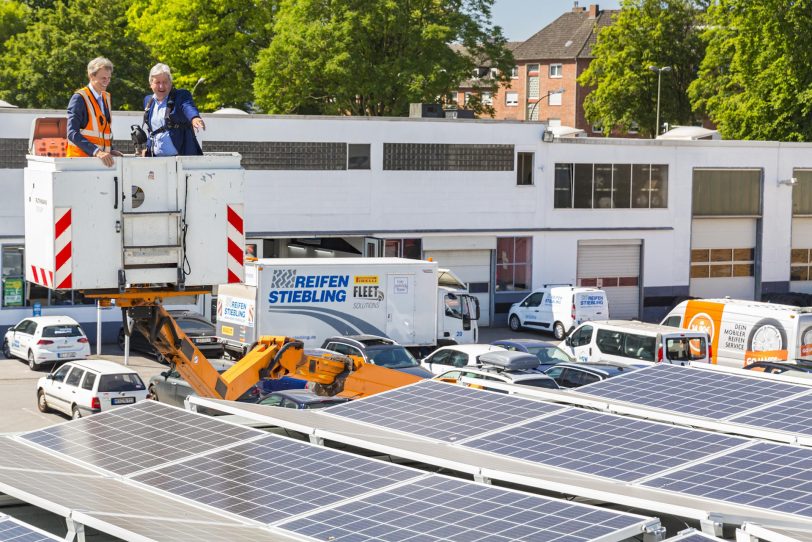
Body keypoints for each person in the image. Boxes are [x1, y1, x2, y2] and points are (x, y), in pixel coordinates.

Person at [67, 57, 123, 167]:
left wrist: (110, 149)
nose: (107, 82)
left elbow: (103, 131)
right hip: (81, 162)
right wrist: (97, 151)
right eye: (103, 78)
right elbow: (72, 133)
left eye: (109, 78)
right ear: (91, 76)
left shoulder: (106, 98)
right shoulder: (79, 98)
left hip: (100, 162)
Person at [142, 63, 205, 156]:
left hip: (182, 160)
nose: (161, 86)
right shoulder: (148, 101)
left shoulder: (181, 95)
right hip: (156, 160)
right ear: (150, 84)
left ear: (171, 83)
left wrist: (194, 117)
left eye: (165, 82)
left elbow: (187, 106)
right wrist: (147, 148)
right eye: (157, 82)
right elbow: (152, 130)